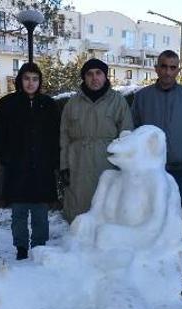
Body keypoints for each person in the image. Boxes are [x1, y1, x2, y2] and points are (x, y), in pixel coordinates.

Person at [0, 62, 60, 260]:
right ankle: (21, 249)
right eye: (27, 78)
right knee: (19, 212)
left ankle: (39, 248)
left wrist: (53, 161)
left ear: (40, 81)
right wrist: (4, 157)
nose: (31, 83)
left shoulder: (48, 104)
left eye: (35, 79)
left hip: (42, 167)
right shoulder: (8, 103)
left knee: (40, 212)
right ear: (20, 80)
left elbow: (56, 136)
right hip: (17, 167)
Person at [59, 58, 133, 223]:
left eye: (98, 73)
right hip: (78, 166)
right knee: (78, 213)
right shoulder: (72, 104)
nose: (94, 78)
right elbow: (64, 137)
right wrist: (64, 166)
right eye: (90, 74)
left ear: (105, 76)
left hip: (107, 166)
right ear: (84, 78)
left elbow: (127, 136)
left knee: (106, 212)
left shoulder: (118, 102)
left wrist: (125, 167)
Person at [131, 50, 182, 203]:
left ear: (178, 70)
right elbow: (133, 127)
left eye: (173, 68)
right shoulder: (142, 97)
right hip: (149, 169)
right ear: (156, 68)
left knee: (175, 213)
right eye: (164, 67)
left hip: (179, 168)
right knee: (149, 213)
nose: (168, 72)